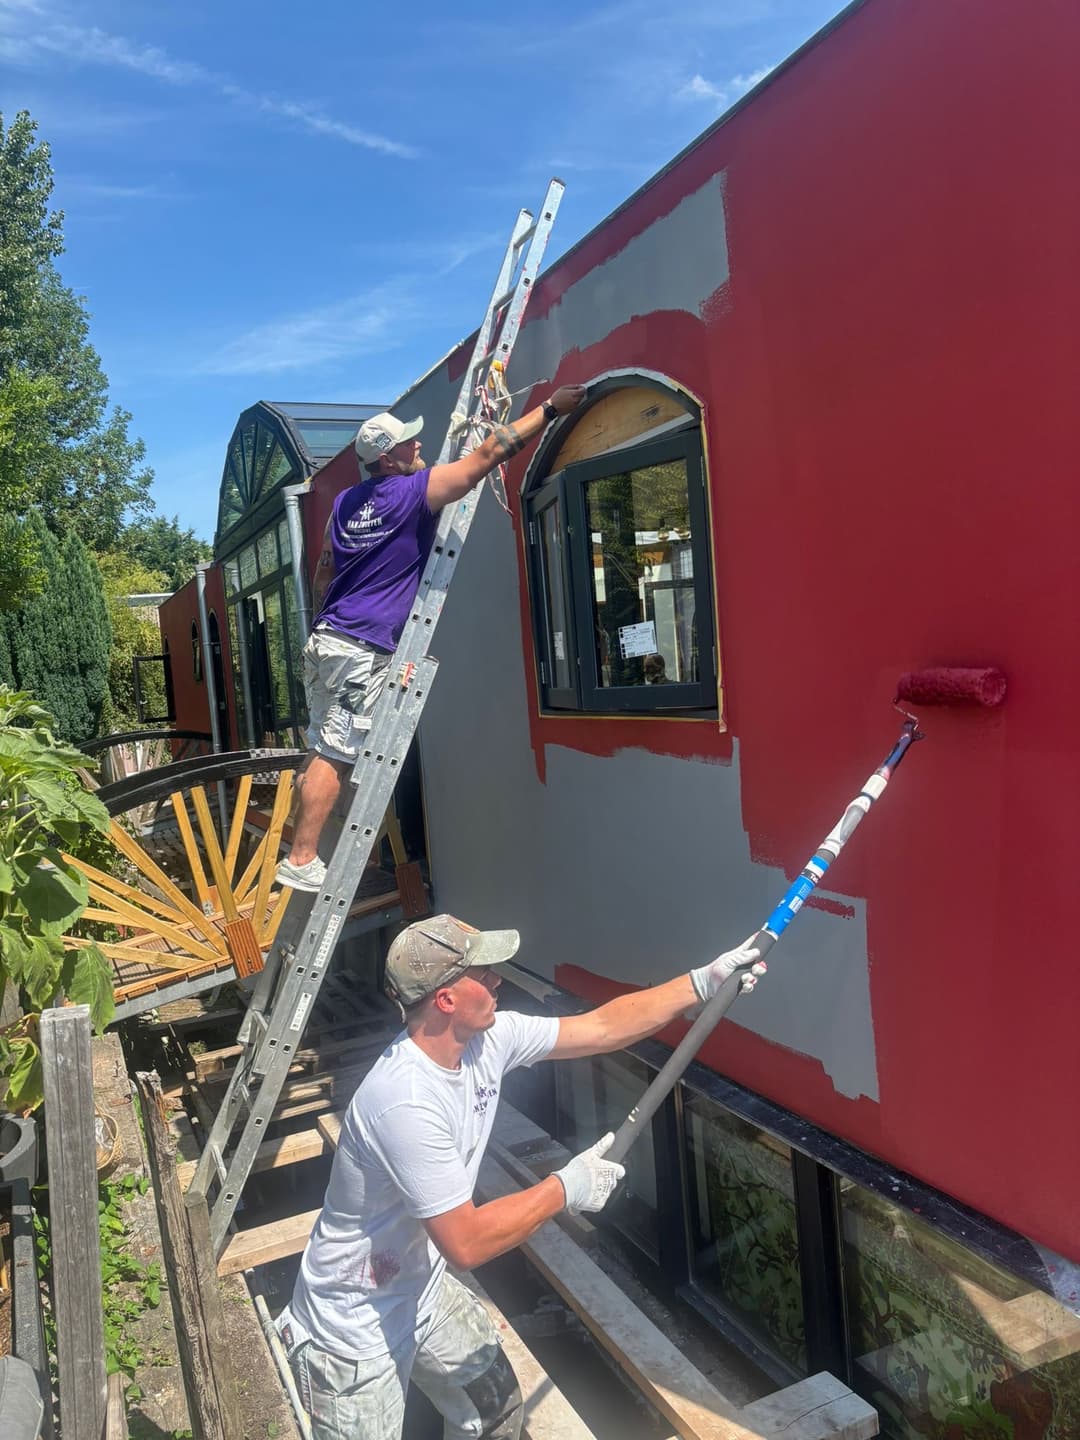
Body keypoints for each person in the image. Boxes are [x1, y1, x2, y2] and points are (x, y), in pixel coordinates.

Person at [276, 914, 765, 1439]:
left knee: (496, 1411)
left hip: (420, 1288)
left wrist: (701, 982)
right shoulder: (405, 1103)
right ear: (445, 1000)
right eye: (482, 974)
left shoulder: (490, 1040)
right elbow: (467, 1242)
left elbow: (601, 1027)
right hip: (352, 1332)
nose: (497, 980)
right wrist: (566, 1187)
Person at [276, 386, 587, 891]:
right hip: (360, 648)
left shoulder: (344, 504)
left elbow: (322, 571)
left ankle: (307, 842)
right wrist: (551, 409)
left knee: (321, 744)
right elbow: (490, 454)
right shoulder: (407, 494)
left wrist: (321, 618)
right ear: (387, 458)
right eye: (407, 444)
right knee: (337, 752)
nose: (417, 446)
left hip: (328, 639)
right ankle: (304, 856)